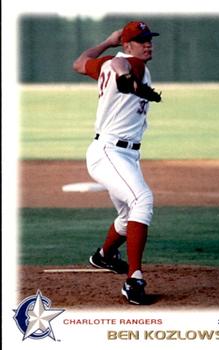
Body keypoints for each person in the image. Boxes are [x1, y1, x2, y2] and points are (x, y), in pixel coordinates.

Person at [73, 21, 161, 305]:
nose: (147, 43)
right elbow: (124, 71)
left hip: (124, 154)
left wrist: (107, 42)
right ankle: (134, 280)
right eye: (140, 39)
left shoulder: (109, 62)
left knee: (127, 215)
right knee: (143, 200)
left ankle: (104, 256)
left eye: (149, 38)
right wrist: (128, 79)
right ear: (128, 46)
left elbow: (79, 63)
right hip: (109, 152)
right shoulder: (127, 63)